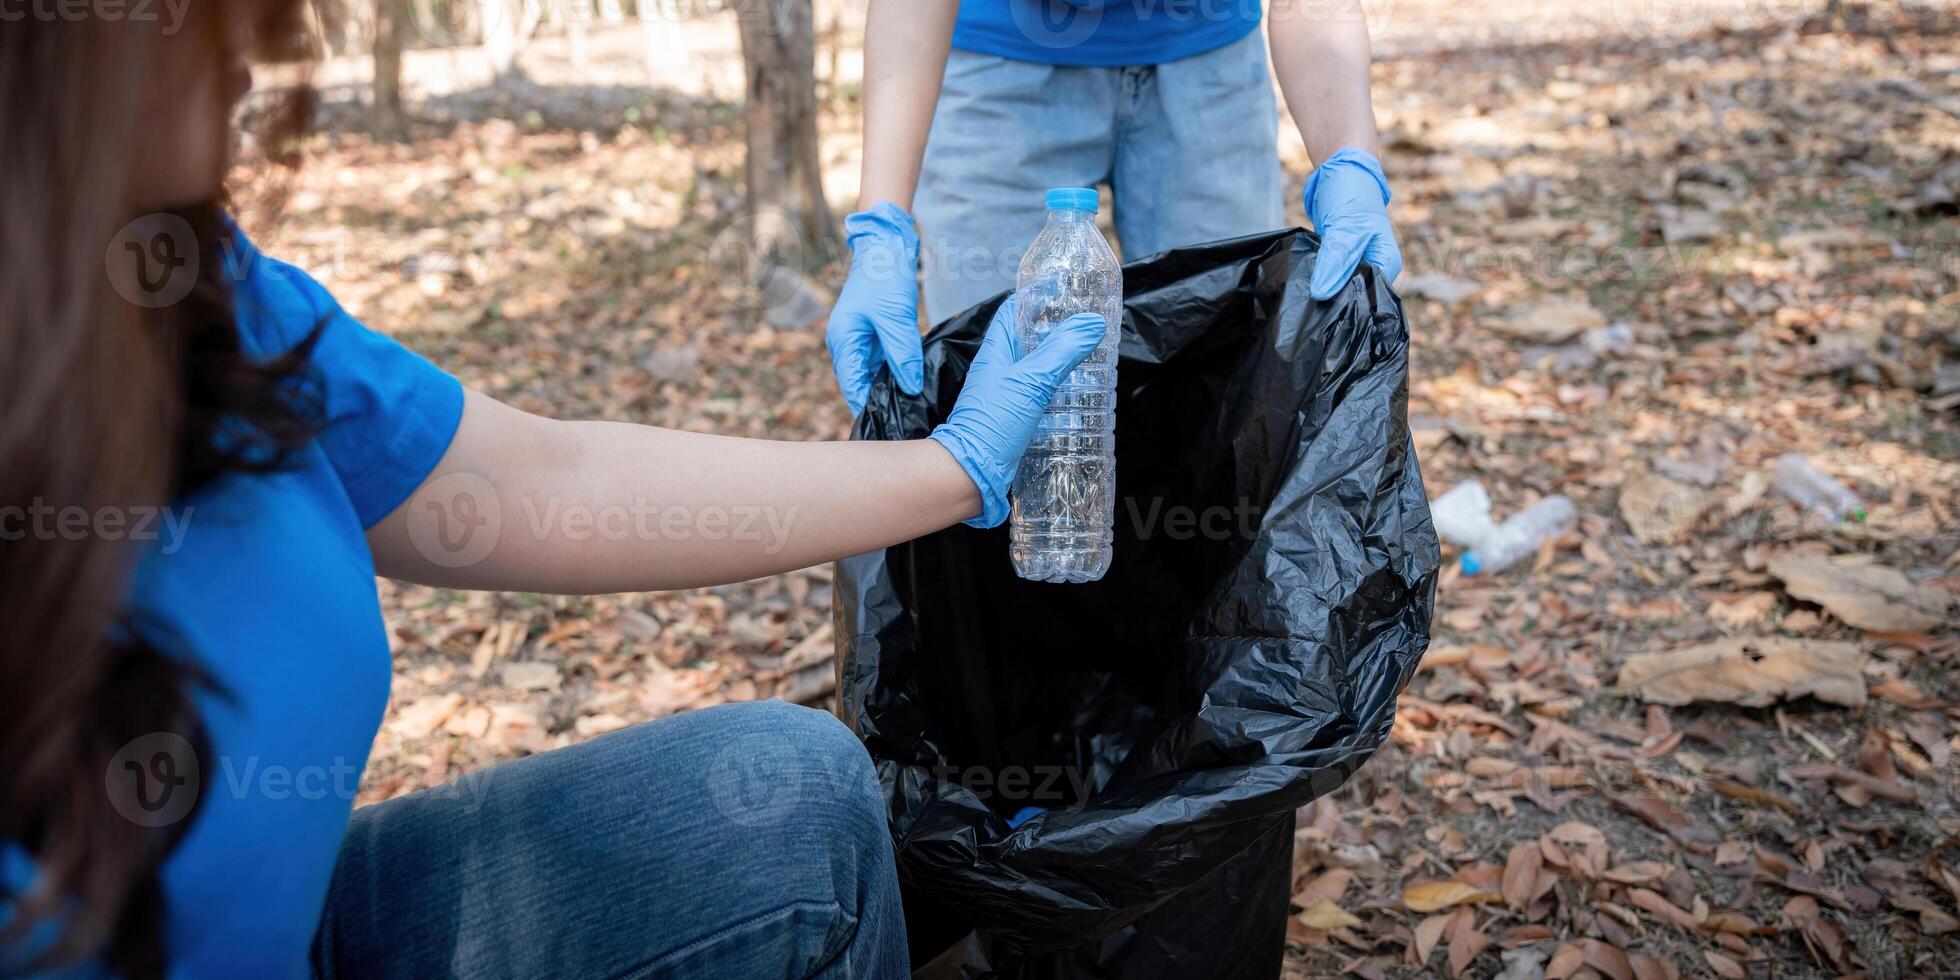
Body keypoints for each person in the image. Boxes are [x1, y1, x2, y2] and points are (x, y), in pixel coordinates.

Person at [0, 5, 1104, 978]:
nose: (262, 43)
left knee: (792, 792)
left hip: (295, 937)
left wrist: (953, 468)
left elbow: (540, 480)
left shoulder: (190, 287)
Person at [826, 0, 1404, 416]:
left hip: (1204, 58)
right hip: (996, 65)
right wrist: (883, 224)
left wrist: (1348, 160)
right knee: (994, 395)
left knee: (1222, 389)